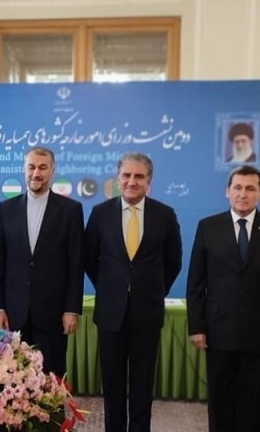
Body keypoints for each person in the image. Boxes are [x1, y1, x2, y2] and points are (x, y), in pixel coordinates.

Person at [186, 164, 260, 432]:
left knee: (253, 401)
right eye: (237, 187)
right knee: (220, 400)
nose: (243, 194)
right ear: (227, 191)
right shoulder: (208, 227)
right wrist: (197, 327)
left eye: (250, 188)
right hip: (218, 331)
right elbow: (196, 282)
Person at [84, 152, 182, 432]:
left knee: (142, 387)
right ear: (118, 179)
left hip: (147, 313)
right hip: (110, 314)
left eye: (139, 176)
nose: (132, 181)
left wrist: (153, 290)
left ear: (149, 181)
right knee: (112, 386)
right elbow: (89, 259)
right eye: (126, 175)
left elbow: (173, 262)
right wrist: (110, 289)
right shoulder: (100, 213)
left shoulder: (165, 215)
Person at [0, 146, 84, 376]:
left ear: (52, 171)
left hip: (53, 313)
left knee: (52, 377)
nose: (36, 173)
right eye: (31, 167)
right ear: (24, 169)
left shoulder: (71, 210)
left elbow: (76, 265)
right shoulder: (6, 208)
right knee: (14, 379)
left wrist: (72, 309)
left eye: (43, 168)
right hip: (14, 313)